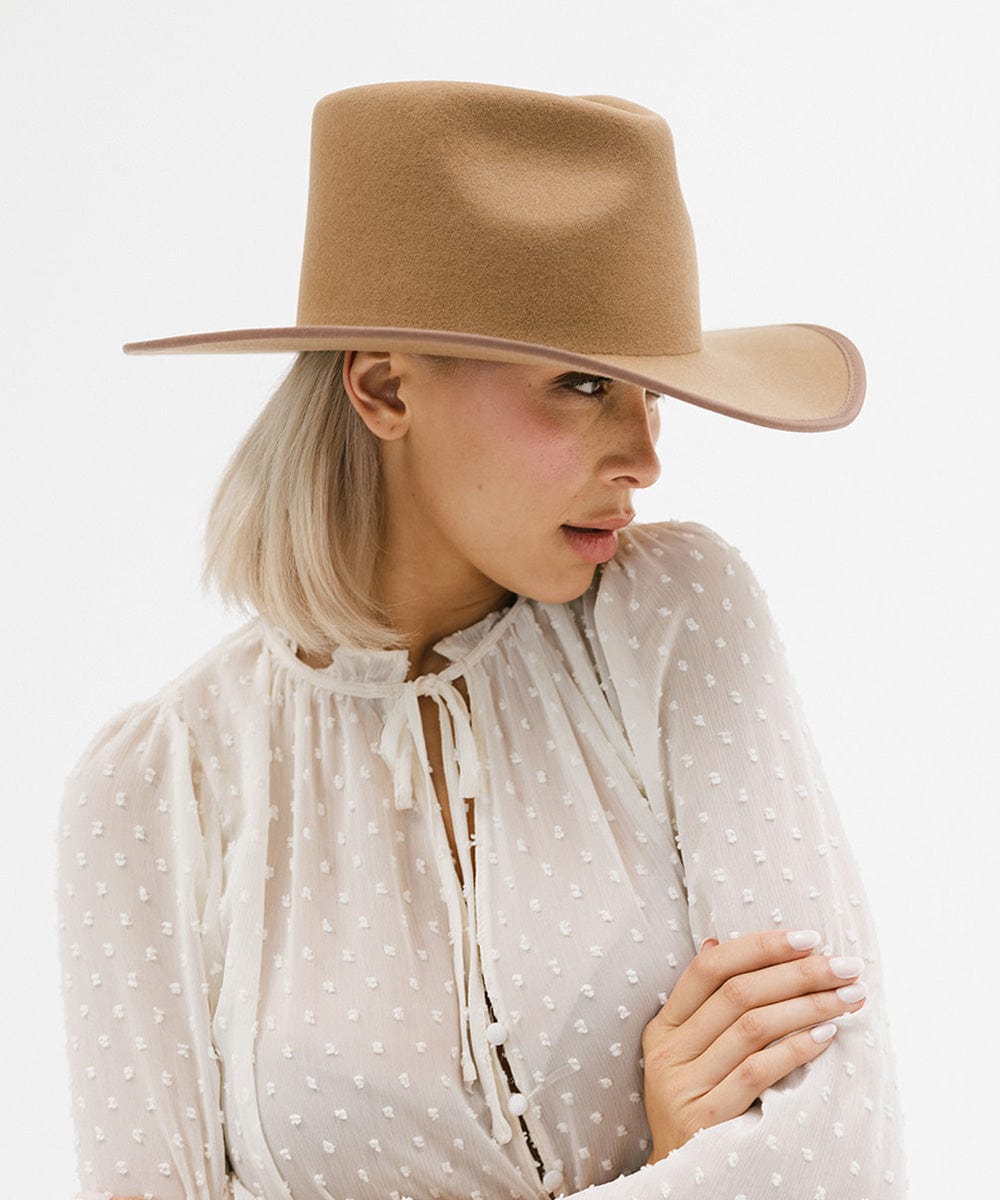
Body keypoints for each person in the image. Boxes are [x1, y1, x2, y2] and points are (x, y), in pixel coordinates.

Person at [54, 80, 907, 1200]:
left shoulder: (677, 616)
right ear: (381, 387)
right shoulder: (157, 787)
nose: (645, 456)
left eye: (652, 393)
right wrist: (670, 1155)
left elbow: (838, 1162)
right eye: (585, 384)